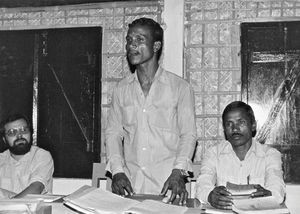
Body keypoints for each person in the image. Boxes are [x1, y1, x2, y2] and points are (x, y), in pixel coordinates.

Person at [105, 17, 196, 205]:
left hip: (169, 189)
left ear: (156, 46)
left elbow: (188, 135)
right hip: (131, 190)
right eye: (129, 40)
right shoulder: (121, 89)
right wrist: (117, 171)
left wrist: (178, 172)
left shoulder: (180, 88)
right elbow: (113, 134)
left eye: (139, 40)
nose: (132, 45)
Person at [195, 101, 286, 210]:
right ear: (224, 129)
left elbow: (277, 189)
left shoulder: (270, 155)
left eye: (241, 122)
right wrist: (210, 196)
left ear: (253, 125)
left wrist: (269, 196)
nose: (234, 129)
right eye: (229, 124)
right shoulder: (213, 154)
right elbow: (202, 184)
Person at [0, 113, 54, 199]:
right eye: (12, 132)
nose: (19, 135)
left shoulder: (42, 156)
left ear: (31, 133)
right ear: (4, 139)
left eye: (24, 130)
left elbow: (36, 189)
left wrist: (8, 204)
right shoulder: (1, 159)